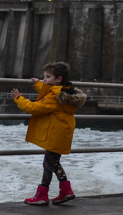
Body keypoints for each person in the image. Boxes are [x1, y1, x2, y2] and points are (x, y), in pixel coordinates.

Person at [11, 62, 86, 205]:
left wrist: (19, 98)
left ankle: (43, 195)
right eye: (44, 77)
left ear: (58, 79)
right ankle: (64, 191)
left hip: (54, 135)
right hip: (62, 133)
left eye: (47, 77)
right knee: (52, 163)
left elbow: (35, 107)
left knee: (49, 163)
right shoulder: (67, 92)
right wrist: (39, 84)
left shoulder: (54, 97)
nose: (44, 79)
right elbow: (52, 91)